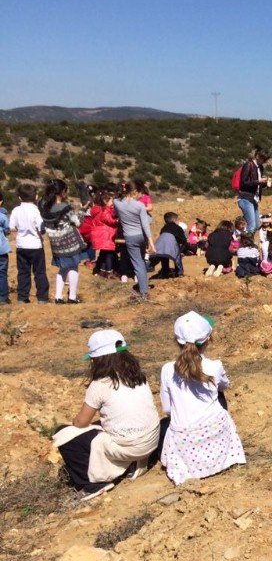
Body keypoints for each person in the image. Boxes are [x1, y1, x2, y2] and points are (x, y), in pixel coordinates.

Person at [52, 330, 160, 500]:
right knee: (105, 424)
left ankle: (91, 485)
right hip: (151, 440)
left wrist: (75, 422)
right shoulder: (138, 375)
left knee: (64, 434)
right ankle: (135, 463)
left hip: (130, 447)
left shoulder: (100, 384)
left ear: (98, 359)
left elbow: (81, 422)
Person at [159, 312, 246, 485]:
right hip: (215, 434)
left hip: (186, 443)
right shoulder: (215, 366)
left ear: (177, 341)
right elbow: (225, 385)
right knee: (218, 394)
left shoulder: (167, 370)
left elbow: (167, 409)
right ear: (208, 340)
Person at [39, 179, 88, 304]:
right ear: (62, 192)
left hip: (55, 244)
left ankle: (58, 296)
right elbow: (77, 223)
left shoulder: (43, 206)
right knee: (73, 267)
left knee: (62, 269)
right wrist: (83, 210)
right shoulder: (65, 208)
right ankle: (72, 297)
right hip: (69, 242)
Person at [8, 183, 48, 303]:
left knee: (23, 272)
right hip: (35, 245)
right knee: (39, 272)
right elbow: (41, 227)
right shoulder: (35, 211)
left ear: (19, 198)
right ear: (36, 197)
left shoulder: (16, 210)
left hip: (21, 246)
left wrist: (21, 228)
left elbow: (11, 227)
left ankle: (22, 297)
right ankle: (42, 297)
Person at [113, 180, 152, 301]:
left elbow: (114, 208)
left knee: (137, 263)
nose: (142, 196)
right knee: (141, 261)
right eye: (140, 193)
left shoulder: (117, 203)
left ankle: (143, 291)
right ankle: (144, 287)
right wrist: (151, 242)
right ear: (135, 192)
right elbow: (145, 225)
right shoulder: (140, 206)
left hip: (129, 237)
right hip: (141, 236)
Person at [85, 190, 119, 278]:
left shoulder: (98, 210)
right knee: (108, 254)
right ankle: (109, 272)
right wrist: (117, 221)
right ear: (105, 201)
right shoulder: (104, 211)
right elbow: (109, 220)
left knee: (104, 254)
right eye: (112, 200)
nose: (113, 203)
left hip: (100, 236)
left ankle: (101, 271)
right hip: (105, 236)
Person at [235, 146, 269, 235]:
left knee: (257, 225)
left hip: (254, 199)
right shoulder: (248, 165)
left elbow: (257, 184)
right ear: (257, 156)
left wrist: (265, 183)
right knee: (252, 226)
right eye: (263, 159)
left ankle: (246, 241)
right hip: (245, 198)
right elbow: (243, 182)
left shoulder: (260, 168)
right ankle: (246, 246)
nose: (264, 161)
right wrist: (258, 181)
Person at [149, 212, 186, 278]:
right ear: (174, 220)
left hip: (160, 245)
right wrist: (181, 250)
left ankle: (165, 272)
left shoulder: (163, 228)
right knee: (177, 257)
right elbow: (183, 241)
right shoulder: (178, 228)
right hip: (171, 243)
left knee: (164, 256)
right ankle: (179, 273)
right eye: (177, 220)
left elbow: (163, 237)